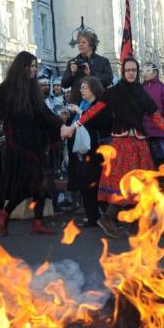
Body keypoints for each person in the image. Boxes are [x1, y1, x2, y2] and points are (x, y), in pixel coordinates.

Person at [63, 57, 164, 238]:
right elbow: (93, 111)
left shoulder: (142, 93)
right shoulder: (113, 93)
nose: (131, 73)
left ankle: (134, 224)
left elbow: (157, 118)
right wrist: (73, 126)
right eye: (128, 70)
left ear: (137, 71)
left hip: (140, 144)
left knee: (142, 184)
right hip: (122, 143)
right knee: (127, 184)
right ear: (123, 71)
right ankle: (109, 219)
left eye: (134, 70)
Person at [0, 52, 67, 236]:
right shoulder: (8, 89)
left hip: (35, 144)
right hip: (19, 145)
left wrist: (61, 126)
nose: (33, 69)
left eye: (34, 66)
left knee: (40, 183)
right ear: (21, 67)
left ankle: (34, 222)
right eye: (30, 66)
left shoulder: (33, 89)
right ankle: (6, 213)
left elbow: (45, 113)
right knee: (32, 183)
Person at [64, 76, 111, 227]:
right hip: (83, 150)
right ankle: (92, 217)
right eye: (81, 88)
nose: (81, 90)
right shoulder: (83, 104)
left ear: (94, 89)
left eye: (85, 88)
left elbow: (100, 122)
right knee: (85, 182)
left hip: (98, 150)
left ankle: (106, 216)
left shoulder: (100, 104)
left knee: (96, 183)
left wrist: (81, 112)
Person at [61, 30, 113, 105]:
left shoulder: (103, 61)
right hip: (76, 104)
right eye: (78, 42)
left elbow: (108, 80)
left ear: (91, 45)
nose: (80, 45)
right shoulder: (72, 62)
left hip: (96, 104)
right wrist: (72, 74)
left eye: (83, 42)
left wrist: (90, 74)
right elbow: (64, 84)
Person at [141, 62, 164, 167]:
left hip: (159, 133)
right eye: (143, 71)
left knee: (160, 162)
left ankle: (161, 182)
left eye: (148, 71)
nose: (144, 73)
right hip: (143, 133)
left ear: (155, 73)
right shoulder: (139, 89)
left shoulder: (163, 88)